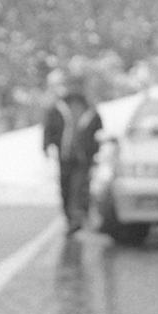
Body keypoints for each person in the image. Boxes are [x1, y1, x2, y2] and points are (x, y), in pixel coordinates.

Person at [42, 68, 103, 236]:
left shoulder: (90, 109)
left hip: (83, 157)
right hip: (65, 155)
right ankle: (70, 217)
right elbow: (49, 128)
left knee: (78, 187)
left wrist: (96, 150)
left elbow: (98, 132)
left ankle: (77, 217)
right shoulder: (59, 107)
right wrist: (47, 145)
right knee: (66, 187)